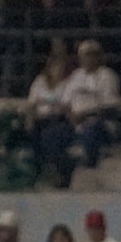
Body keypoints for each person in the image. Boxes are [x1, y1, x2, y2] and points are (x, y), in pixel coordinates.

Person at [63, 40, 121, 169]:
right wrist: (72, 117)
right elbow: (65, 102)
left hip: (99, 122)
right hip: (74, 121)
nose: (88, 59)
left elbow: (110, 107)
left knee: (92, 129)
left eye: (92, 55)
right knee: (53, 133)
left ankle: (89, 166)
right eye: (85, 55)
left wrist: (85, 115)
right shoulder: (76, 75)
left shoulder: (107, 76)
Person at [26, 55, 77, 188]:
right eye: (55, 67)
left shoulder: (68, 84)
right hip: (40, 119)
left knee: (52, 135)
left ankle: (57, 173)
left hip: (59, 119)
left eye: (61, 68)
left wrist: (46, 101)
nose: (58, 70)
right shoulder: (39, 82)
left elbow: (66, 105)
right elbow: (32, 103)